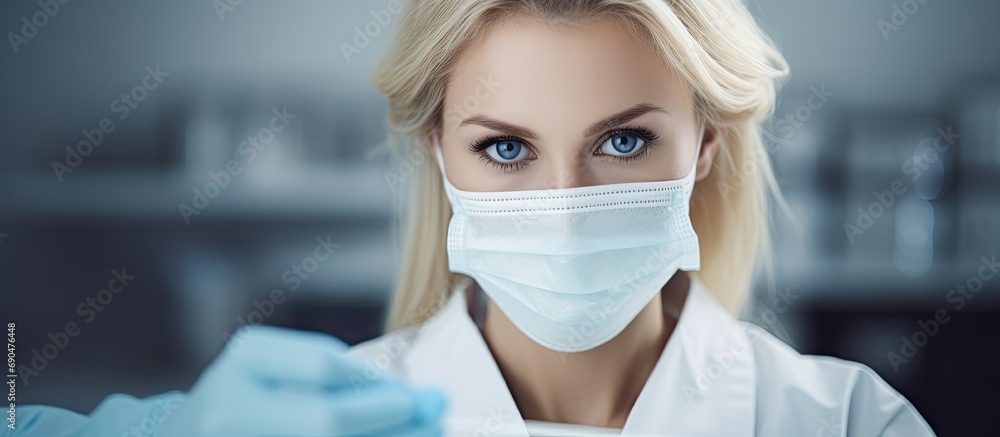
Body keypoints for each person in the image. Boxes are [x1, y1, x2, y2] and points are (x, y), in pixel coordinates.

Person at [7, 0, 936, 436]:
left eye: (621, 142)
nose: (562, 207)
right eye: (505, 148)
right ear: (437, 156)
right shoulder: (309, 424)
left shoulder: (850, 421)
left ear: (704, 149)